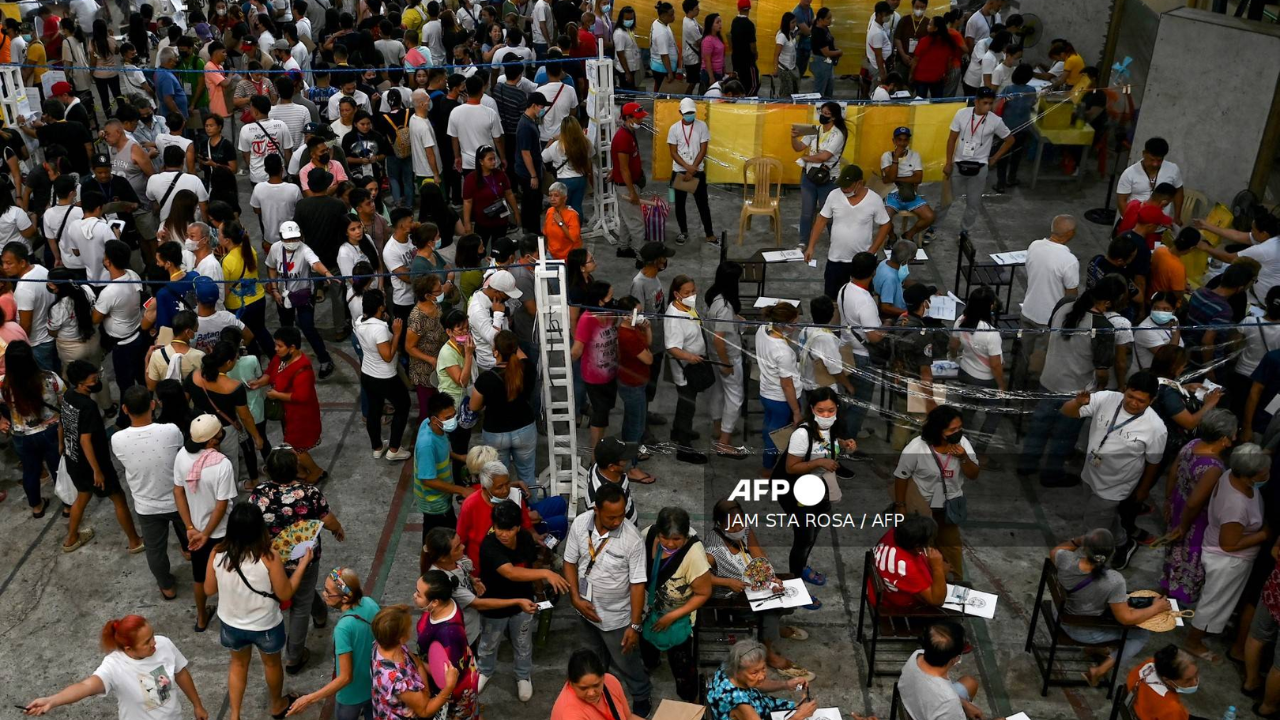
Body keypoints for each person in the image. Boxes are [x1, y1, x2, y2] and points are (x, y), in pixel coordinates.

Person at [203, 501, 314, 720]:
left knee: (238, 664)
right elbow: (285, 593)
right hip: (265, 625)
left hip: (231, 624)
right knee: (272, 664)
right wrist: (302, 565)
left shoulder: (218, 552)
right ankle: (277, 705)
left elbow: (208, 589)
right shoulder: (268, 557)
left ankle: (234, 715)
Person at [1017, 279, 1124, 486]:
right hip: (1076, 391)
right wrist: (1100, 389)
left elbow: (1050, 332)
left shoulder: (1064, 304)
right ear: (1109, 303)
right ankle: (1051, 475)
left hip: (1049, 379)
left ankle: (1026, 464)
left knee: (1039, 426)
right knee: (1064, 436)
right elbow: (1102, 371)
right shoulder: (1102, 327)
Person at [249, 447, 344, 674]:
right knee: (300, 604)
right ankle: (293, 656)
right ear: (296, 469)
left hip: (272, 559)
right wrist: (337, 528)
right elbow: (327, 518)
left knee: (303, 590)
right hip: (304, 558)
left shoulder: (259, 492)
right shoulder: (309, 492)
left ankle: (320, 614)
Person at [562, 483, 651, 717]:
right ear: (596, 510)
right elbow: (570, 562)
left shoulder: (632, 539)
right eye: (611, 516)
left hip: (617, 617)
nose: (617, 521)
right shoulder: (581, 524)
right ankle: (600, 692)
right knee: (592, 657)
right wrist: (574, 598)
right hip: (585, 609)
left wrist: (634, 625)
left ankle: (641, 694)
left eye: (621, 515)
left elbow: (637, 584)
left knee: (627, 662)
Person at [21, 616, 209, 720]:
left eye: (152, 635)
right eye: (147, 642)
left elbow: (181, 672)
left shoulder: (164, 644)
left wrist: (197, 705)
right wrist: (52, 700)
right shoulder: (114, 667)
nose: (154, 643)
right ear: (129, 649)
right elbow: (86, 687)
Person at [703, 500, 810, 677]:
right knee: (769, 612)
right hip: (732, 595)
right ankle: (769, 652)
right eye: (732, 524)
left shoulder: (744, 529)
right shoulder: (712, 549)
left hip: (754, 584)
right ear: (720, 524)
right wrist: (727, 582)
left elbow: (757, 553)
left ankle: (773, 630)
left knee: (786, 595)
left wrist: (770, 576)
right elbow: (700, 577)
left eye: (741, 521)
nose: (738, 527)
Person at [1182, 443, 1270, 661]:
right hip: (1227, 559)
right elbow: (1228, 544)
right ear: (1249, 476)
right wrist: (1265, 534)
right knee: (1213, 602)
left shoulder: (1233, 474)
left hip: (1221, 550)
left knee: (1215, 599)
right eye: (1264, 472)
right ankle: (1193, 641)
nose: (1268, 474)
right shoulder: (1236, 505)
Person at [477, 499, 569, 700]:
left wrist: (539, 593)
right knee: (488, 643)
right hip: (494, 606)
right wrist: (547, 574)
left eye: (509, 529)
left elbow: (530, 567)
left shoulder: (526, 539)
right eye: (499, 528)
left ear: (518, 527)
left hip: (523, 603)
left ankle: (523, 676)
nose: (503, 533)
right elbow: (511, 573)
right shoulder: (489, 546)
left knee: (523, 643)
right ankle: (485, 670)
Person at [1050, 530, 1167, 687]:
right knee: (1141, 635)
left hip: (1058, 612)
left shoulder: (1066, 559)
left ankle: (1095, 649)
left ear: (1085, 548)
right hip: (1080, 630)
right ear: (1112, 552)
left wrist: (1077, 540)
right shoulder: (1114, 580)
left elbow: (1055, 551)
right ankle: (1100, 670)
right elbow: (1125, 619)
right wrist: (1156, 608)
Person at [774, 387, 855, 604]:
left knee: (813, 533)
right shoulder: (802, 434)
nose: (827, 415)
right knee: (803, 538)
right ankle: (795, 588)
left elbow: (829, 448)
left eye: (831, 410)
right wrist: (819, 462)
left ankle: (801, 567)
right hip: (796, 491)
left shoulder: (835, 427)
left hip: (819, 488)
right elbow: (791, 468)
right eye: (821, 411)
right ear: (812, 409)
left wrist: (845, 447)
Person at [112, 387, 189, 600]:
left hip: (146, 506)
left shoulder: (117, 439)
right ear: (153, 405)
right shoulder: (171, 430)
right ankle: (191, 554)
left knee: (155, 550)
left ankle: (167, 587)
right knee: (190, 532)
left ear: (125, 409)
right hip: (178, 500)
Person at [61, 359, 144, 553]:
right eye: (93, 379)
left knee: (82, 497)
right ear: (81, 383)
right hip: (93, 463)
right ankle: (134, 541)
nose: (97, 380)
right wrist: (97, 470)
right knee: (119, 498)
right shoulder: (88, 406)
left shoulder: (68, 396)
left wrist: (62, 446)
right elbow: (85, 440)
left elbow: (62, 422)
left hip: (73, 458)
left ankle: (71, 538)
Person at [892, 404, 978, 579]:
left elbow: (974, 474)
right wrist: (900, 505)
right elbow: (901, 477)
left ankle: (955, 582)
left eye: (960, 428)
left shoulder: (963, 444)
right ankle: (927, 580)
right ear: (938, 430)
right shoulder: (916, 448)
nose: (958, 432)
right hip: (923, 505)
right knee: (924, 546)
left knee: (952, 546)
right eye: (952, 429)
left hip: (949, 503)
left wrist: (964, 458)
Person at [1160, 408, 1236, 604]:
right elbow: (1195, 502)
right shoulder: (1213, 467)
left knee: (1174, 551)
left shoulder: (1192, 444)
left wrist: (1169, 500)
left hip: (1178, 503)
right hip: (1193, 519)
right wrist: (1184, 526)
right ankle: (1176, 601)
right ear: (1224, 439)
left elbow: (1173, 473)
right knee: (1187, 556)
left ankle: (1167, 586)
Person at [637, 506, 711, 702]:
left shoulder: (694, 554)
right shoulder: (647, 535)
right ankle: (651, 664)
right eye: (664, 537)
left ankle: (691, 700)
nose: (669, 543)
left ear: (686, 536)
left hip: (679, 617)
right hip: (648, 611)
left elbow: (703, 593)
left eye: (676, 539)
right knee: (647, 649)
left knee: (683, 666)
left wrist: (671, 616)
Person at [287, 567, 380, 719]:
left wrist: (309, 699)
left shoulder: (343, 628)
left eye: (328, 592)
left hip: (351, 694)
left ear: (344, 598)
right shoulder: (370, 604)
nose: (324, 595)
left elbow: (345, 677)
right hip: (373, 684)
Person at [940, 88, 1014, 240]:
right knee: (946, 199)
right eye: (985, 103)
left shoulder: (995, 121)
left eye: (991, 104)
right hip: (958, 163)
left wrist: (995, 158)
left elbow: (1010, 140)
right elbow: (951, 139)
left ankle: (965, 231)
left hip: (980, 167)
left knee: (973, 203)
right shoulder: (962, 114)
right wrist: (948, 162)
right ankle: (933, 228)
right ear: (976, 101)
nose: (988, 106)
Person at [0, 341, 63, 516]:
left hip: (22, 436)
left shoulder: (4, 386)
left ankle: (36, 507)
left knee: (30, 471)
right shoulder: (50, 378)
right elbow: (64, 400)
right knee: (58, 467)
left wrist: (1, 419)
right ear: (31, 358)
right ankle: (68, 504)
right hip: (51, 432)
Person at [187, 341, 264, 482]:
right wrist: (257, 437)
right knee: (229, 463)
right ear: (229, 362)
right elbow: (245, 417)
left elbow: (185, 400)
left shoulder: (194, 376)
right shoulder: (233, 387)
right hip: (224, 431)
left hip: (199, 426)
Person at [470, 330, 539, 485]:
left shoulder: (486, 379)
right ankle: (531, 507)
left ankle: (504, 507)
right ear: (515, 349)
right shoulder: (527, 369)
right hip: (525, 428)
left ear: (495, 352)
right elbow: (521, 356)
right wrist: (509, 340)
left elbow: (473, 406)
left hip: (495, 432)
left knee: (499, 479)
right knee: (528, 474)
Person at [373, 603, 459, 720]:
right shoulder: (396, 679)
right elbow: (425, 711)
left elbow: (416, 663)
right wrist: (449, 687)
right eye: (409, 627)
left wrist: (426, 691)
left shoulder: (384, 644)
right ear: (401, 638)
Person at [413, 571, 481, 720]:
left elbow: (447, 676)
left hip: (456, 691)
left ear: (435, 602)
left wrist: (414, 660)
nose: (414, 595)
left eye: (419, 594)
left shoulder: (448, 635)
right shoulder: (448, 603)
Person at [355, 288, 411, 461]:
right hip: (385, 376)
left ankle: (377, 447)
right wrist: (396, 334)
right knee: (403, 405)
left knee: (374, 410)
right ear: (380, 307)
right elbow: (387, 356)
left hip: (367, 373)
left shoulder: (359, 322)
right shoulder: (379, 330)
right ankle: (394, 449)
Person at [704, 640, 815, 720]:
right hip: (759, 713)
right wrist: (798, 716)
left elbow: (759, 683)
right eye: (754, 672)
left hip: (761, 703)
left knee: (802, 707)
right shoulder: (740, 703)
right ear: (737, 670)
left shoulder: (727, 667)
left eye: (763, 668)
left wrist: (786, 684)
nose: (761, 676)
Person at [664, 274, 711, 464]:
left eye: (693, 290)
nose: (692, 295)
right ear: (676, 294)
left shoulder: (687, 307)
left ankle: (677, 431)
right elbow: (672, 347)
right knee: (687, 407)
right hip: (685, 370)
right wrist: (690, 357)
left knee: (686, 404)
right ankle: (684, 448)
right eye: (687, 292)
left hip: (694, 364)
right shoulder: (675, 318)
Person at [704, 263, 747, 459]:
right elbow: (718, 338)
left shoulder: (715, 297)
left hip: (714, 356)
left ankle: (716, 428)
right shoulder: (723, 307)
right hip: (727, 356)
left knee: (718, 392)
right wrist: (726, 363)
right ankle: (724, 442)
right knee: (734, 397)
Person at [793, 102, 847, 254]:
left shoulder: (838, 134)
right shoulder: (814, 130)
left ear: (834, 117)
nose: (822, 116)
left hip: (828, 179)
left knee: (829, 213)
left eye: (827, 114)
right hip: (809, 177)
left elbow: (825, 156)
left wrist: (807, 158)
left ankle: (834, 241)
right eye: (822, 112)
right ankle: (803, 242)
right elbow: (798, 148)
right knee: (806, 212)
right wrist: (794, 137)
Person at [755, 302, 802, 470]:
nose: (796, 327)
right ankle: (768, 468)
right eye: (794, 323)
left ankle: (768, 463)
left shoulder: (763, 329)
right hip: (781, 400)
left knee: (769, 427)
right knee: (777, 436)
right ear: (784, 324)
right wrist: (796, 411)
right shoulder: (783, 352)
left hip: (767, 392)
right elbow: (787, 385)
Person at [666, 97, 714, 247]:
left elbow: (703, 149)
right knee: (679, 204)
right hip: (680, 171)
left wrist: (693, 169)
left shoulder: (702, 126)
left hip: (696, 171)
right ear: (680, 112)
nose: (690, 115)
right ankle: (683, 231)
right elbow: (673, 152)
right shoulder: (674, 129)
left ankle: (709, 234)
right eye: (687, 113)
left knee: (703, 204)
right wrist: (688, 168)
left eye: (692, 112)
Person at [551, 649, 648, 720]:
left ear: (603, 677)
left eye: (596, 685)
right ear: (571, 683)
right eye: (583, 688)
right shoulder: (571, 714)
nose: (591, 693)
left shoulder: (611, 681)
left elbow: (628, 717)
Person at [1115, 137, 1184, 225]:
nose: (1155, 164)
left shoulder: (1173, 169)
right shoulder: (1129, 173)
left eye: (1159, 160)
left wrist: (1177, 216)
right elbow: (1121, 200)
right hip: (1134, 225)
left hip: (1158, 226)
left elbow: (1179, 191)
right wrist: (1132, 222)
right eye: (1152, 159)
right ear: (1144, 154)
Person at [1125, 646, 1201, 720]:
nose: (1195, 682)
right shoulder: (1172, 708)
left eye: (1196, 673)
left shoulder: (1149, 663)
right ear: (1167, 680)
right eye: (1188, 680)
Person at [461, 145, 518, 243]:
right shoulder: (471, 179)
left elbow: (509, 194)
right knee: (479, 250)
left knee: (498, 248)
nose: (494, 162)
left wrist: (516, 212)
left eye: (494, 159)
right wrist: (467, 223)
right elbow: (467, 202)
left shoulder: (500, 174)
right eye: (490, 159)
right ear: (481, 161)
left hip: (501, 220)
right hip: (482, 222)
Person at [544, 181, 583, 261]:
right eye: (550, 195)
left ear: (565, 198)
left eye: (556, 196)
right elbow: (546, 233)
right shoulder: (549, 211)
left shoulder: (572, 215)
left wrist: (561, 223)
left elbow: (573, 238)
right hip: (551, 255)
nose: (552, 199)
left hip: (568, 258)